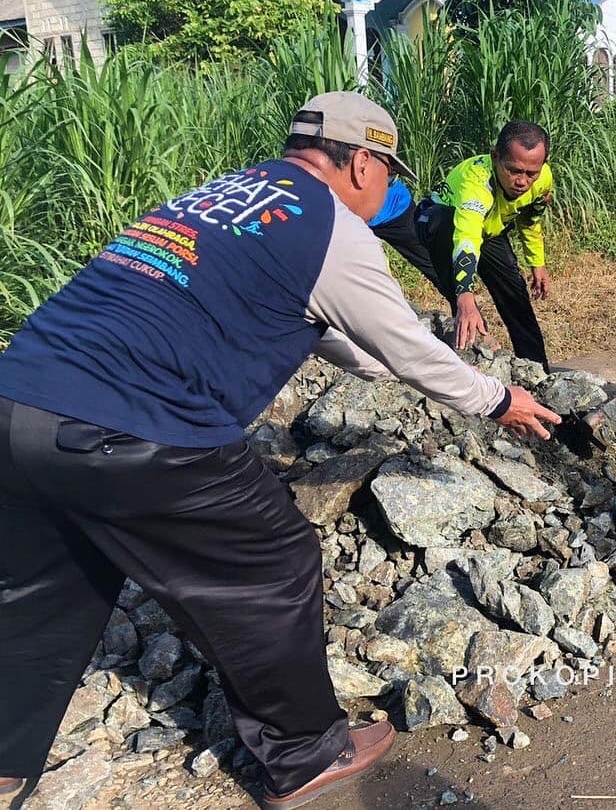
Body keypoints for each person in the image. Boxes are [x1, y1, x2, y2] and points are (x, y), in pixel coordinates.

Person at [0, 92, 559, 810]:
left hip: (17, 398)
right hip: (135, 425)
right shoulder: (334, 228)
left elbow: (323, 326)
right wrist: (496, 398)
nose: (390, 192)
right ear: (362, 161)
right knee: (273, 556)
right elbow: (405, 345)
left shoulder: (219, 193)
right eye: (389, 175)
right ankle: (299, 755)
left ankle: (6, 758)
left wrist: (395, 365)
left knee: (48, 581)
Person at [372, 121, 553, 369]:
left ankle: (538, 372)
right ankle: (478, 345)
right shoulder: (476, 184)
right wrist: (465, 294)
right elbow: (466, 236)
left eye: (530, 173)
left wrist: (537, 262)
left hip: (488, 229)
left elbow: (529, 219)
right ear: (495, 157)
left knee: (516, 297)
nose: (521, 181)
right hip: (440, 224)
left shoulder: (543, 179)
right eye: (513, 170)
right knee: (461, 291)